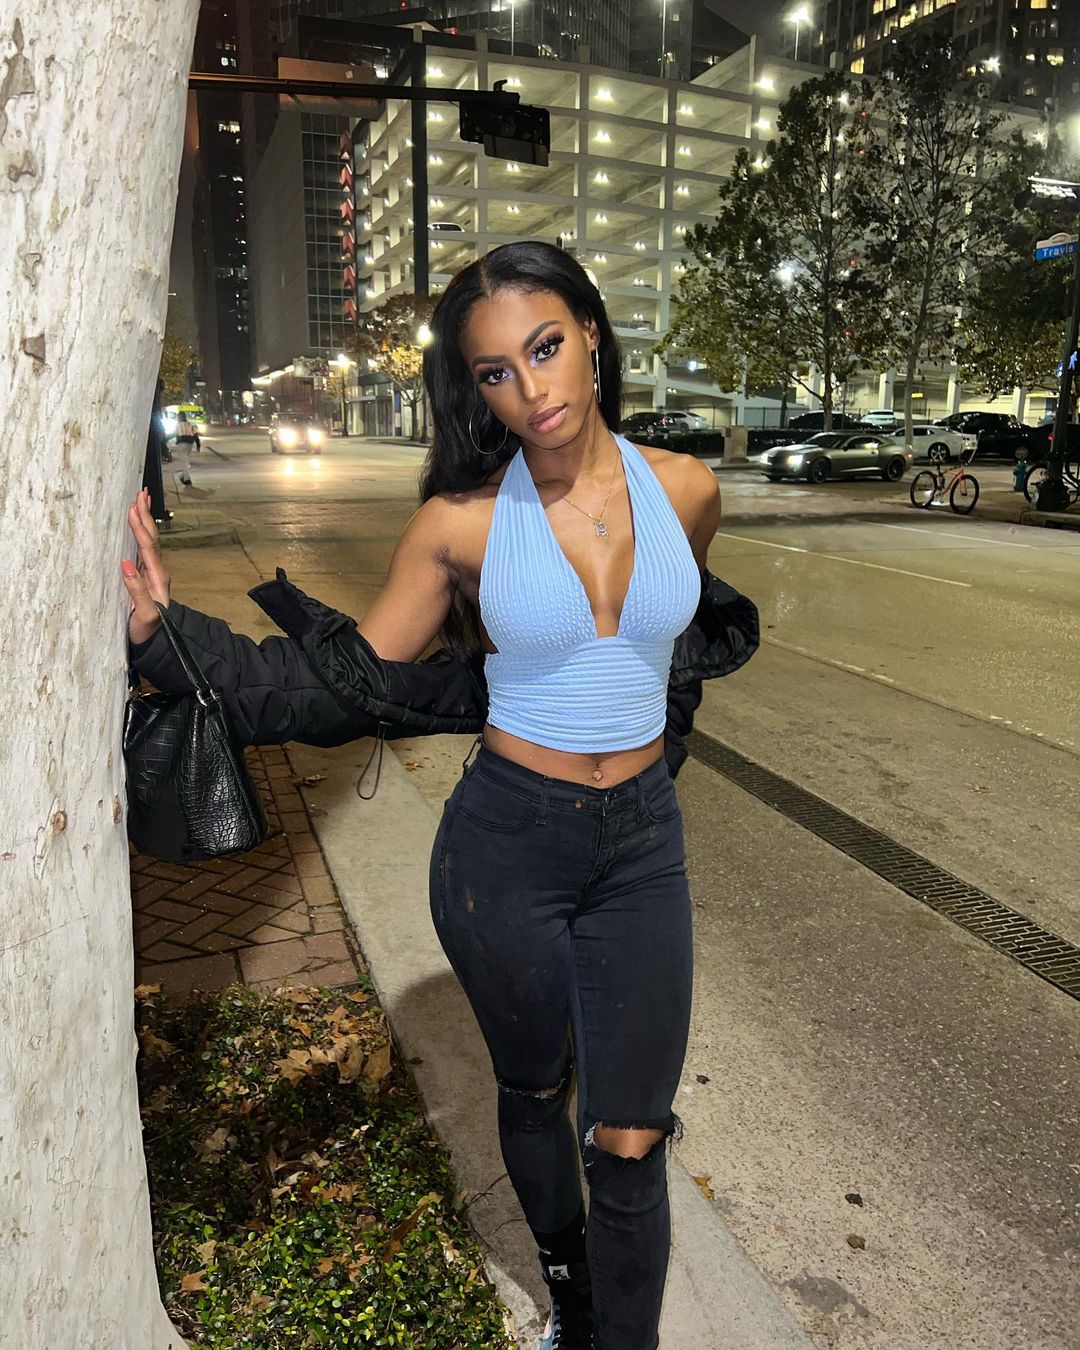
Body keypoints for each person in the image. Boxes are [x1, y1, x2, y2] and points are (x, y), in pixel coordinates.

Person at [122, 241, 757, 1350]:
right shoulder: (460, 524)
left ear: (592, 333)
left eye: (546, 347)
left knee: (632, 1135)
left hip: (643, 851)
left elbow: (672, 659)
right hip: (506, 848)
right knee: (534, 1092)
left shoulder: (687, 491)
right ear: (475, 388)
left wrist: (650, 767)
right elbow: (341, 684)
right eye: (497, 371)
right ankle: (572, 1305)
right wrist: (168, 639)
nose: (532, 389)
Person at [169, 412, 199, 486]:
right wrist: (198, 445)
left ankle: (186, 479)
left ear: (179, 418)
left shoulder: (178, 425)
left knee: (184, 462)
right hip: (190, 445)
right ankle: (183, 476)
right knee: (185, 461)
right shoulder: (190, 425)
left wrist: (164, 439)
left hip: (181, 444)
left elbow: (174, 434)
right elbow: (196, 435)